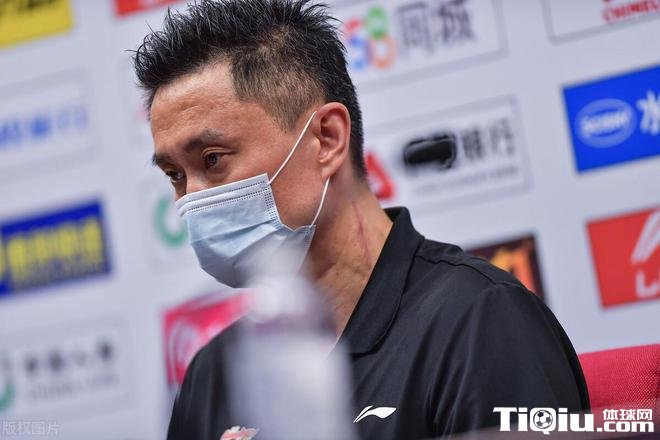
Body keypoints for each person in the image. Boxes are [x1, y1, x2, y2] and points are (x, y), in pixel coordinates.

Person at [132, 1, 590, 438]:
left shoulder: (480, 321)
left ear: (327, 139)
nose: (192, 199)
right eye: (175, 175)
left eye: (212, 159)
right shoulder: (214, 372)